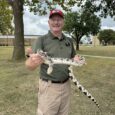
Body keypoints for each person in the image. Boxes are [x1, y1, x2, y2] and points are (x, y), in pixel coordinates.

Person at [25, 9, 79, 115]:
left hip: (66, 86)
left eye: (59, 19)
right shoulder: (41, 40)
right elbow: (29, 66)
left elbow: (73, 58)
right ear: (49, 22)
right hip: (49, 88)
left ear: (63, 22)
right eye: (53, 19)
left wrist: (76, 59)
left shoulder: (69, 41)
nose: (56, 22)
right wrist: (32, 61)